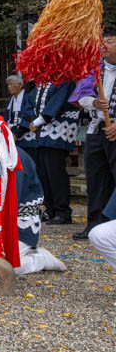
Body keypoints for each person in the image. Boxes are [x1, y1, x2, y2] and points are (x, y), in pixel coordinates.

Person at [69, 26, 116, 239]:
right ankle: (95, 225)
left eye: (110, 42)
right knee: (95, 179)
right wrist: (94, 102)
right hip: (96, 131)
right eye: (102, 43)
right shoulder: (94, 70)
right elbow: (80, 97)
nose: (104, 46)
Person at [19, 79, 79, 224]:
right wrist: (30, 122)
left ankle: (63, 211)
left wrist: (39, 121)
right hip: (39, 136)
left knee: (55, 173)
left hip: (58, 134)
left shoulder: (64, 82)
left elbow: (55, 106)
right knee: (43, 174)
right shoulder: (40, 84)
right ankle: (50, 209)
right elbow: (28, 105)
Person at [4, 74, 29, 144]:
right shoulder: (10, 101)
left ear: (20, 85)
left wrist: (17, 134)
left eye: (11, 84)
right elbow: (6, 118)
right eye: (8, 85)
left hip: (25, 132)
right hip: (11, 132)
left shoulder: (27, 98)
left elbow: (28, 118)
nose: (9, 87)